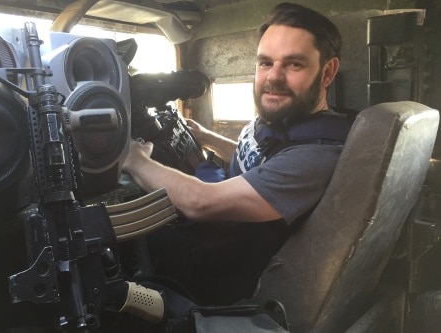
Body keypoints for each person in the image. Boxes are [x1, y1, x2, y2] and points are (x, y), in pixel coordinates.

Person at [122, 2, 348, 305]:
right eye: (266, 63)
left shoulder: (314, 154)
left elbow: (200, 203)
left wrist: (134, 160)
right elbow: (257, 159)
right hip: (219, 230)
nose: (273, 77)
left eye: (294, 64)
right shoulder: (284, 121)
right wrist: (206, 137)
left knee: (120, 247)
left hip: (222, 271)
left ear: (328, 71)